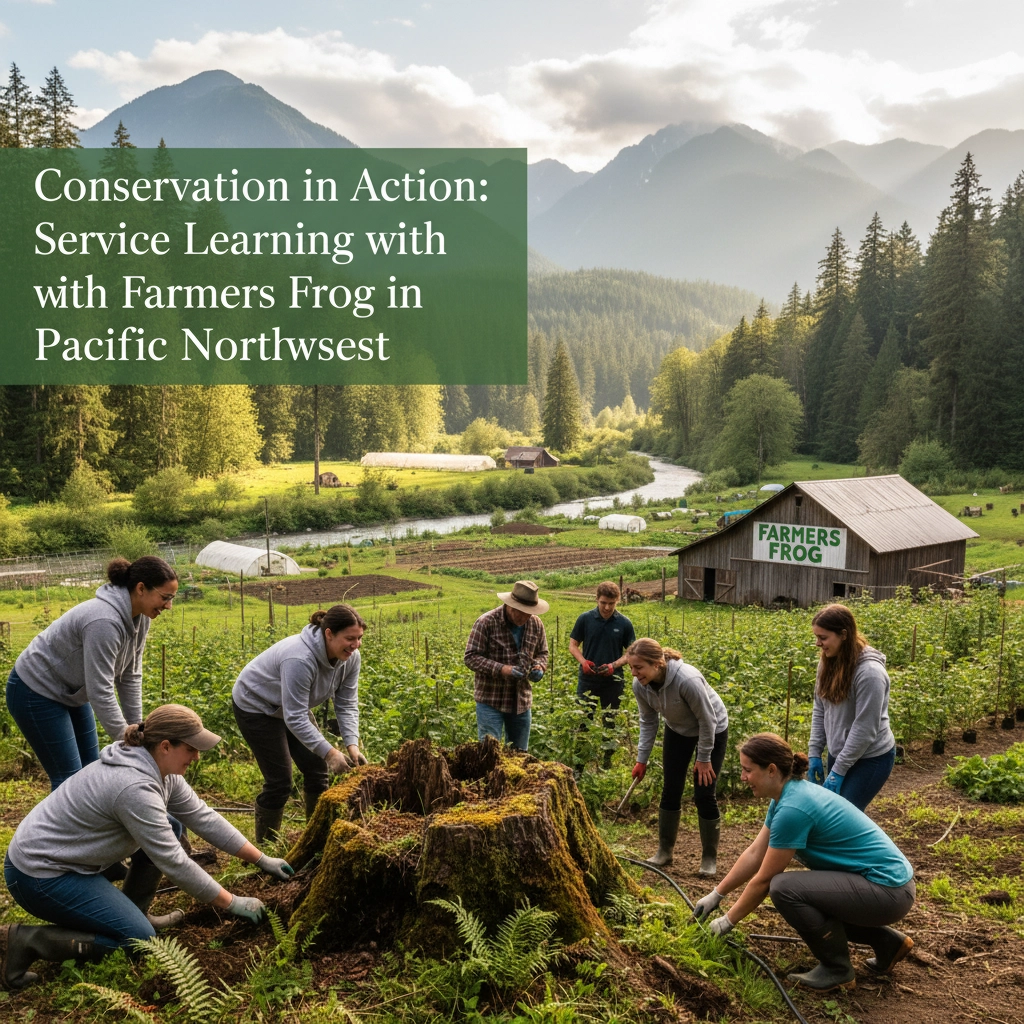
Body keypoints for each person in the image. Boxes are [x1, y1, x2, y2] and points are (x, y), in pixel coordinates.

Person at [1, 704, 291, 991]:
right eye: (191, 748)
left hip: (69, 860)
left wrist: (262, 858)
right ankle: (27, 941)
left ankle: (134, 911)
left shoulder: (161, 770)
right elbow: (173, 861)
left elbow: (202, 817)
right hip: (40, 875)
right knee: (140, 941)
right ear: (165, 746)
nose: (197, 756)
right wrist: (232, 902)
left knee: (173, 827)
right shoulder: (133, 786)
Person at [693, 733, 915, 992]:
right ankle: (887, 943)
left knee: (784, 888)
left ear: (771, 770)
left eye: (748, 770)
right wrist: (716, 894)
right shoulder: (786, 795)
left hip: (888, 891)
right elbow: (755, 853)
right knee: (811, 890)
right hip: (887, 886)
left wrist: (727, 922)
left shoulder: (793, 809)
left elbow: (764, 880)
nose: (743, 778)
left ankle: (837, 969)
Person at [6, 556, 178, 791]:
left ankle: (93, 828)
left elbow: (130, 674)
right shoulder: (104, 621)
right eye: (165, 597)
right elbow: (101, 688)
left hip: (72, 692)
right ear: (141, 589)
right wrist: (124, 736)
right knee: (70, 780)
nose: (168, 606)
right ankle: (58, 828)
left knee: (91, 770)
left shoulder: (141, 617)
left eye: (171, 599)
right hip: (35, 690)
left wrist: (138, 729)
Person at [233, 604, 367, 842]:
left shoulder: (350, 658)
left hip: (291, 707)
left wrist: (352, 745)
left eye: (359, 638)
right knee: (280, 781)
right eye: (349, 638)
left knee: (316, 769)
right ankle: (266, 849)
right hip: (256, 706)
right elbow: (295, 717)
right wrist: (331, 753)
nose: (355, 645)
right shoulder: (300, 658)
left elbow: (346, 702)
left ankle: (316, 839)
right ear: (329, 634)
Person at [627, 638, 728, 876]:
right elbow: (648, 721)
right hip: (678, 730)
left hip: (712, 729)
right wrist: (642, 759)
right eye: (631, 667)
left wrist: (703, 758)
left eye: (639, 667)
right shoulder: (640, 685)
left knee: (704, 792)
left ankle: (709, 858)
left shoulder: (687, 680)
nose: (634, 673)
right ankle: (664, 852)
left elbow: (708, 720)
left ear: (657, 663)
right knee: (671, 788)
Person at [808, 604, 896, 810]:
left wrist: (838, 771)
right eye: (816, 637)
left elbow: (865, 728)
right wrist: (814, 753)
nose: (817, 643)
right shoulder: (827, 663)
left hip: (871, 758)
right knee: (833, 815)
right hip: (840, 751)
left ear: (844, 635)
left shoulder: (870, 673)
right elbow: (820, 709)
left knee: (842, 818)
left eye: (823, 637)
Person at [464, 580, 549, 752]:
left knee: (520, 756)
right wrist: (503, 669)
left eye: (529, 613)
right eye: (522, 612)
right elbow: (471, 657)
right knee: (489, 753)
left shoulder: (535, 624)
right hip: (491, 699)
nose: (526, 617)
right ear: (510, 605)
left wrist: (539, 667)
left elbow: (543, 653)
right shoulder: (486, 622)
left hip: (521, 701)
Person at [569, 580, 637, 715]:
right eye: (603, 603)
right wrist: (583, 662)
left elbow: (631, 653)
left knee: (610, 720)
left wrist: (613, 665)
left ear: (617, 600)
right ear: (597, 599)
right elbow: (573, 645)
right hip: (588, 679)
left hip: (613, 680)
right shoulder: (585, 619)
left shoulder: (624, 623)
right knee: (583, 720)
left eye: (611, 603)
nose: (607, 607)